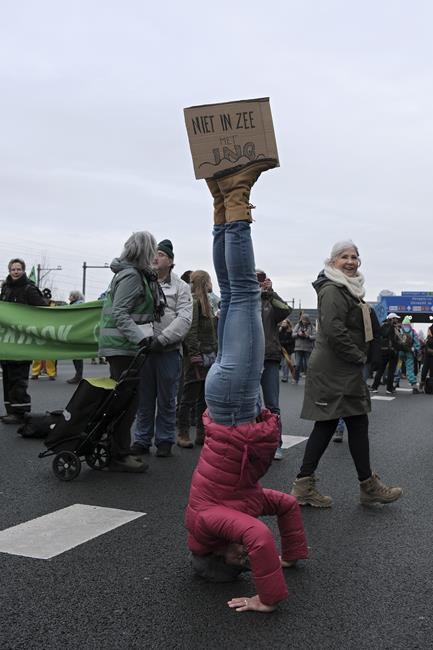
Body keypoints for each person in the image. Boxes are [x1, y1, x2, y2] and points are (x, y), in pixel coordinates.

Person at [186, 160, 308, 614]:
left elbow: (256, 536)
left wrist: (267, 595)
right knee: (235, 291)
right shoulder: (235, 507)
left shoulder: (212, 522)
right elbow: (286, 508)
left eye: (237, 561)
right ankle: (222, 201)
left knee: (241, 289)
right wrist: (293, 554)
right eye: (247, 563)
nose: (247, 556)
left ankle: (235, 195)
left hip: (235, 399)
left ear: (218, 553)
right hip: (227, 401)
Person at [291, 240, 402, 508]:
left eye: (355, 257)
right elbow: (332, 330)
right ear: (332, 262)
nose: (351, 261)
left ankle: (367, 486)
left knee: (357, 422)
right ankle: (304, 484)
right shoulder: (332, 289)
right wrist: (360, 356)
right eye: (344, 257)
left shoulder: (349, 289)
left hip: (345, 367)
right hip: (333, 366)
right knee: (328, 423)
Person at [98, 231, 164, 472]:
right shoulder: (132, 277)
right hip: (123, 346)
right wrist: (141, 339)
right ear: (144, 252)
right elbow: (120, 313)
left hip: (125, 346)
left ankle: (116, 448)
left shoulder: (135, 274)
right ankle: (119, 453)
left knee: (125, 399)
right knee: (126, 401)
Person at [131, 240, 193, 458]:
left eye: (161, 254)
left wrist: (163, 339)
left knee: (167, 399)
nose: (155, 258)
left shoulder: (181, 287)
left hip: (168, 350)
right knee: (144, 398)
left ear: (171, 261)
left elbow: (185, 318)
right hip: (145, 350)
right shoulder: (141, 281)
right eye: (153, 254)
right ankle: (141, 439)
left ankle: (165, 439)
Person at [0, 258, 47, 423]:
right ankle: (10, 410)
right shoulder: (5, 288)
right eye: (13, 269)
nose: (15, 272)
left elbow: (43, 310)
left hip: (22, 342)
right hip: (7, 343)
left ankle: (20, 413)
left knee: (18, 378)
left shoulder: (29, 289)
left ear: (23, 270)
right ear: (9, 270)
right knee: (7, 378)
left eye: (18, 269)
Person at [177, 270, 217, 448]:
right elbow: (191, 331)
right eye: (209, 280)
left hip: (208, 356)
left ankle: (202, 433)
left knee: (203, 397)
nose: (211, 284)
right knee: (188, 396)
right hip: (197, 356)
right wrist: (194, 354)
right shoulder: (194, 303)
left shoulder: (207, 303)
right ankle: (183, 432)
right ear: (204, 282)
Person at [256, 269, 291, 460]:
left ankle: (276, 444)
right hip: (248, 359)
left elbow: (286, 310)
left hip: (269, 356)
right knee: (248, 405)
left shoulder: (270, 301)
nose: (258, 282)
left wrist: (270, 292)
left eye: (261, 278)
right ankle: (253, 443)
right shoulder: (243, 298)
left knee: (272, 404)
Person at [369, 313, 401, 395]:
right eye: (395, 318)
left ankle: (374, 387)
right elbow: (397, 341)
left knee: (381, 370)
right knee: (391, 371)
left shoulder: (382, 327)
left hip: (383, 351)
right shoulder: (394, 328)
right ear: (392, 319)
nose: (397, 320)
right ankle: (389, 389)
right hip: (393, 352)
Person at [393, 316, 421, 394]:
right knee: (409, 368)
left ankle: (395, 383)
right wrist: (416, 349)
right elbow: (417, 343)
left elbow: (396, 341)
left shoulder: (400, 330)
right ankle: (414, 386)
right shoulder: (413, 331)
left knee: (398, 367)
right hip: (409, 352)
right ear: (409, 324)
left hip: (401, 352)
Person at [66, 290, 85, 384]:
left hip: (77, 332)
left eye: (71, 295)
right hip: (76, 332)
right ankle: (78, 375)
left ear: (75, 297)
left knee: (77, 355)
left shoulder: (77, 306)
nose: (69, 297)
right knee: (76, 355)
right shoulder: (75, 305)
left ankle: (78, 376)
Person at [292, 313, 315, 383]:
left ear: (308, 320)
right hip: (298, 348)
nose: (304, 321)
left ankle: (309, 379)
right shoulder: (298, 325)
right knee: (297, 364)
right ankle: (296, 378)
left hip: (308, 348)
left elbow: (315, 336)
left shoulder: (311, 327)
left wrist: (308, 336)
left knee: (308, 364)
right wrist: (298, 334)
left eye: (305, 320)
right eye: (303, 320)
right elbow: (293, 334)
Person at [279, 319, 295, 383]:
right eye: (283, 322)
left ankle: (285, 377)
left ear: (288, 324)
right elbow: (278, 338)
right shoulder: (280, 331)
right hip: (282, 349)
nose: (283, 323)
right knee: (283, 364)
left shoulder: (290, 331)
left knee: (286, 364)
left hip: (288, 350)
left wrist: (284, 342)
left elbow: (292, 341)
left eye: (285, 322)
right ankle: (285, 376)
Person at [420, 324, 433, 391]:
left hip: (427, 355)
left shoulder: (429, 336)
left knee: (425, 370)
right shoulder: (429, 336)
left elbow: (425, 344)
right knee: (429, 371)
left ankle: (425, 386)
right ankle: (429, 386)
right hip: (428, 355)